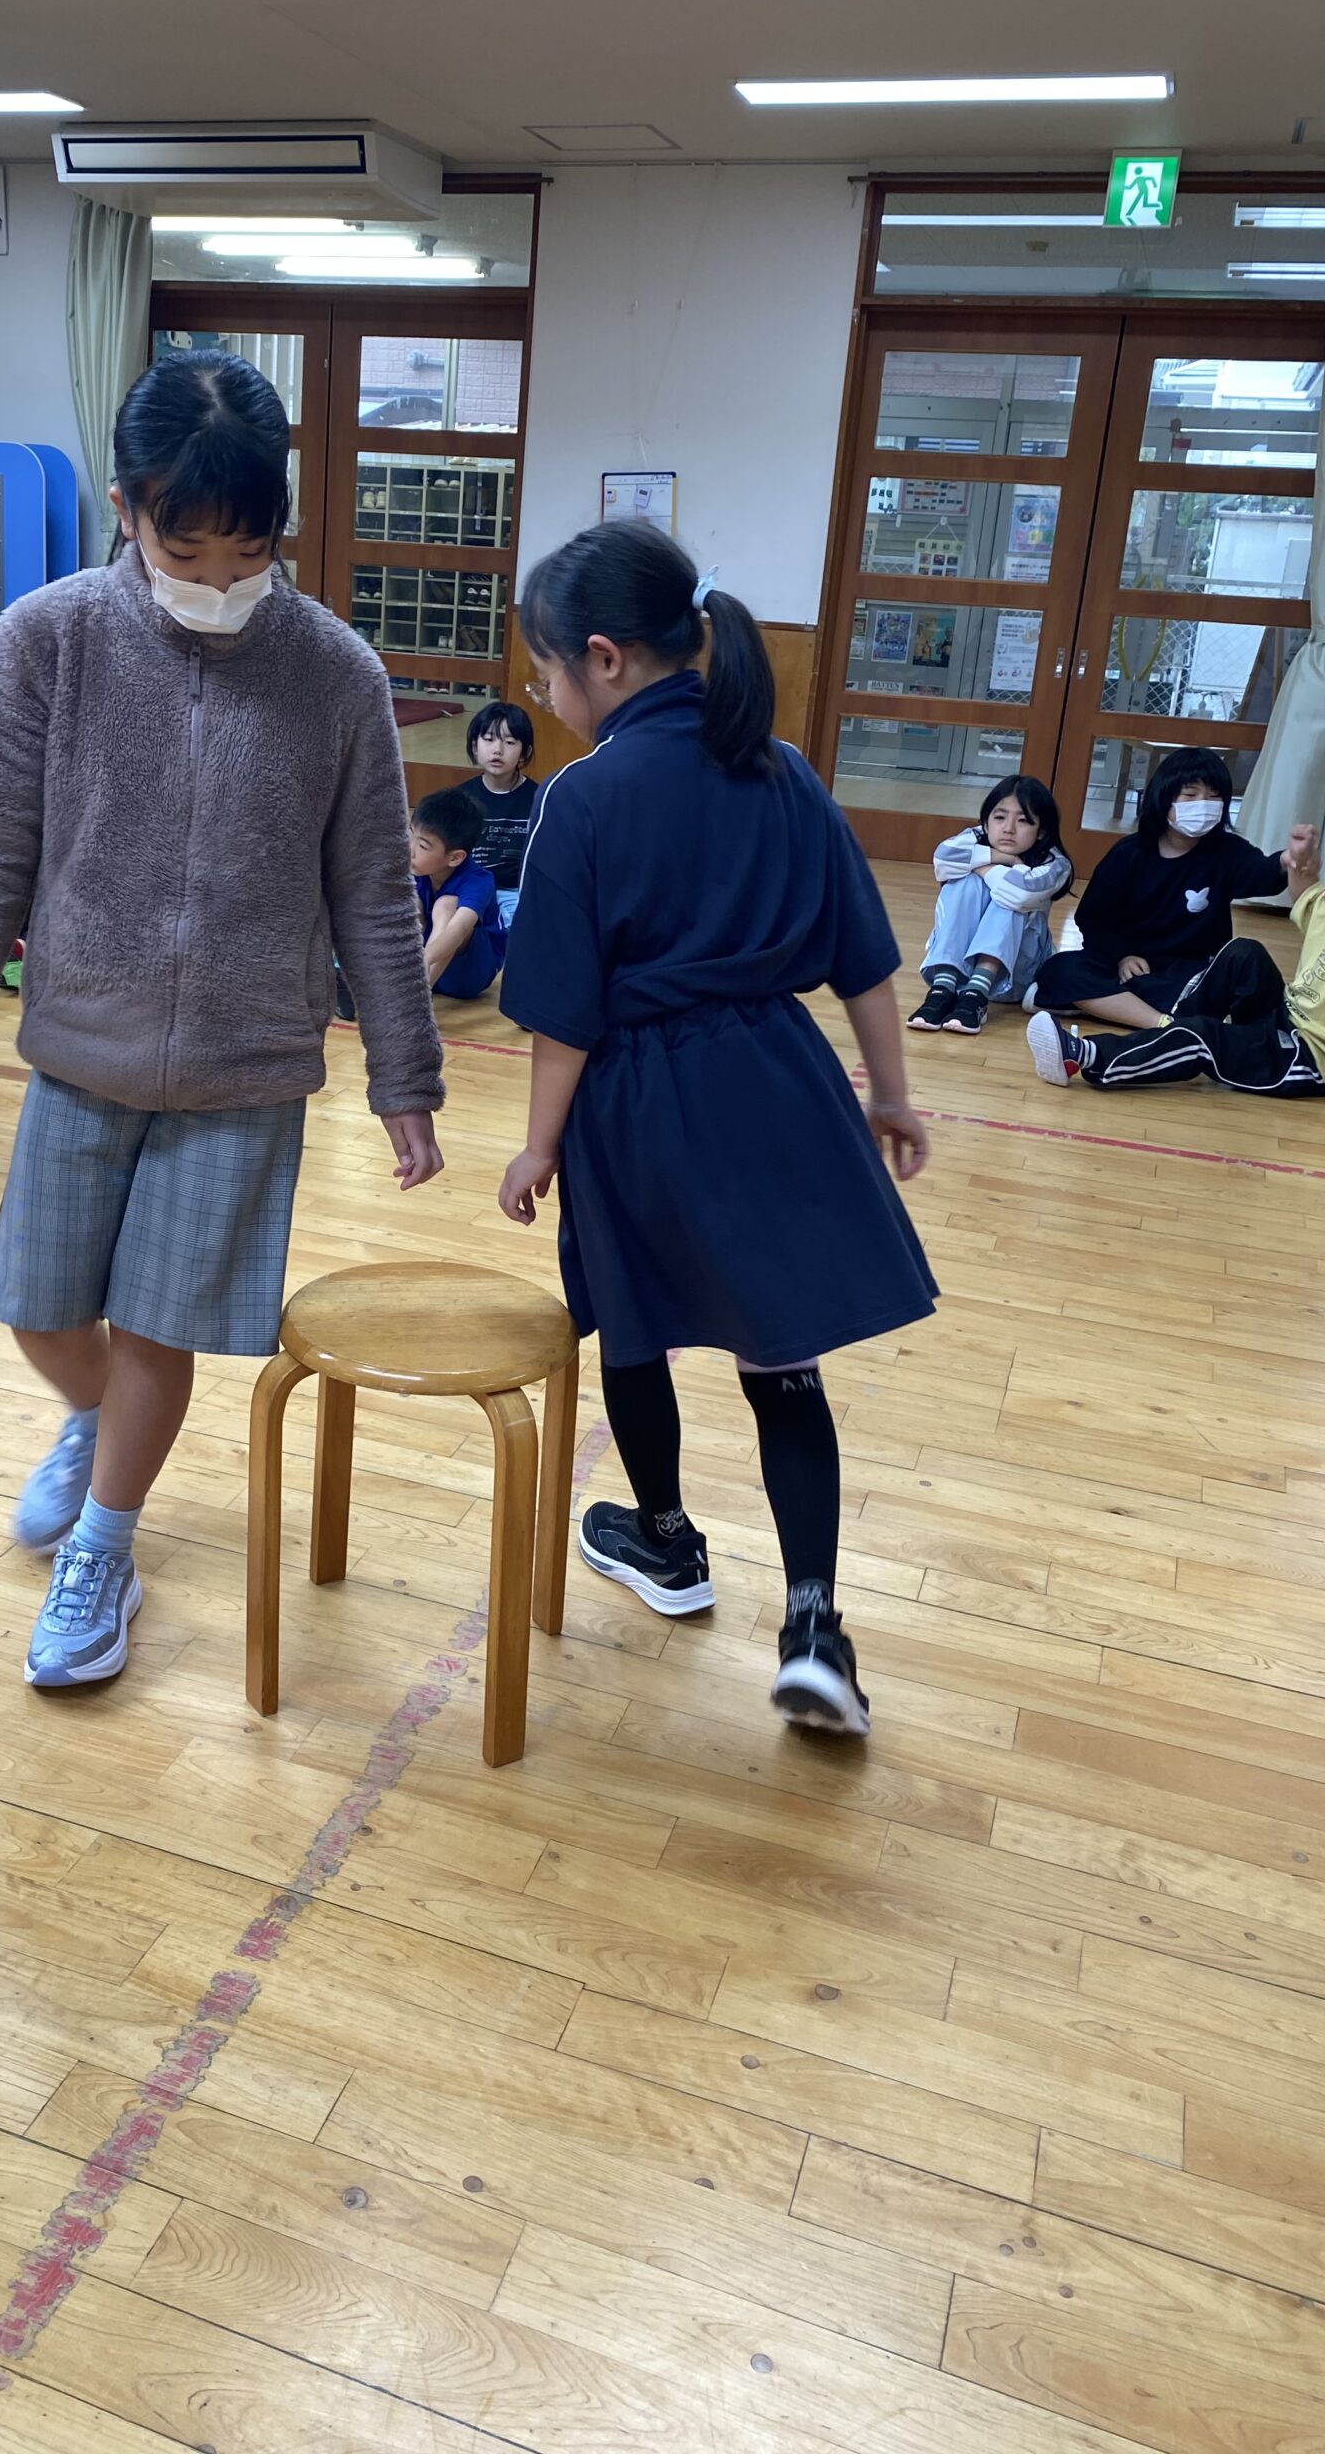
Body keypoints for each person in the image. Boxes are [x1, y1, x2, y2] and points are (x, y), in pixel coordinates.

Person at [0, 349, 444, 1691]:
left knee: (157, 1327)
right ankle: (94, 1422)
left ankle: (105, 1548)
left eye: (246, 551)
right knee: (40, 1310)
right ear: (127, 509)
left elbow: (374, 888)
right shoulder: (49, 641)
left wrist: (406, 1077)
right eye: (183, 548)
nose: (215, 579)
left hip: (246, 1066)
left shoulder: (336, 672)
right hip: (82, 1042)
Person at [496, 523, 935, 1739]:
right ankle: (814, 1625)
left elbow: (564, 1015)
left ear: (604, 659)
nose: (544, 698)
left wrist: (538, 1144)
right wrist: (891, 1092)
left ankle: (669, 1540)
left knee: (633, 1326)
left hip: (636, 1102)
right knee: (781, 1355)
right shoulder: (782, 769)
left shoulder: (585, 796)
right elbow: (863, 957)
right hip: (781, 1084)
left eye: (546, 675)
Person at [1030, 829, 1325, 1125]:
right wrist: (1298, 859)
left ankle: (1087, 1056)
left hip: (1302, 1058)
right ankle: (1178, 1030)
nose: (1323, 892)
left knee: (1201, 1037)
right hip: (1284, 1018)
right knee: (1244, 953)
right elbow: (1305, 893)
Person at [1030, 747, 1291, 1029]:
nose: (1203, 804)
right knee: (1061, 969)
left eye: (1214, 796)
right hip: (1129, 966)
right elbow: (1093, 918)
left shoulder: (1227, 850)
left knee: (1232, 973)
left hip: (1191, 972)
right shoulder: (1129, 853)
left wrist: (1286, 861)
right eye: (1190, 795)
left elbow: (1262, 874)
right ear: (1163, 799)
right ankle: (1165, 1023)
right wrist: (1122, 956)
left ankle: (1111, 1006)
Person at [909, 775, 1072, 1036]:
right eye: (1000, 817)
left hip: (1016, 976)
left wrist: (982, 867)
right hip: (961, 975)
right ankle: (942, 988)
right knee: (963, 883)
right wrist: (1004, 858)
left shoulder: (1055, 863)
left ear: (1041, 830)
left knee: (1008, 893)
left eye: (1023, 820)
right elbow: (942, 857)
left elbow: (1018, 893)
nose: (1008, 829)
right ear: (986, 822)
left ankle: (977, 994)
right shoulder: (976, 836)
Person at [411, 786, 507, 1001]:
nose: (410, 849)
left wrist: (424, 960)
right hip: (423, 962)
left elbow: (459, 928)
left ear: (455, 858)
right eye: (410, 835)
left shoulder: (479, 880)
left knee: (446, 905)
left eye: (423, 846)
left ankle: (418, 997)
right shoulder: (415, 870)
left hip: (469, 973)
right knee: (409, 902)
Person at [458, 700, 542, 925]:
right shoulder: (460, 798)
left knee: (516, 923)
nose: (497, 750)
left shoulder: (540, 798)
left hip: (516, 890)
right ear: (475, 746)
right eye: (488, 739)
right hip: (470, 886)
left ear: (525, 752)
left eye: (509, 742)